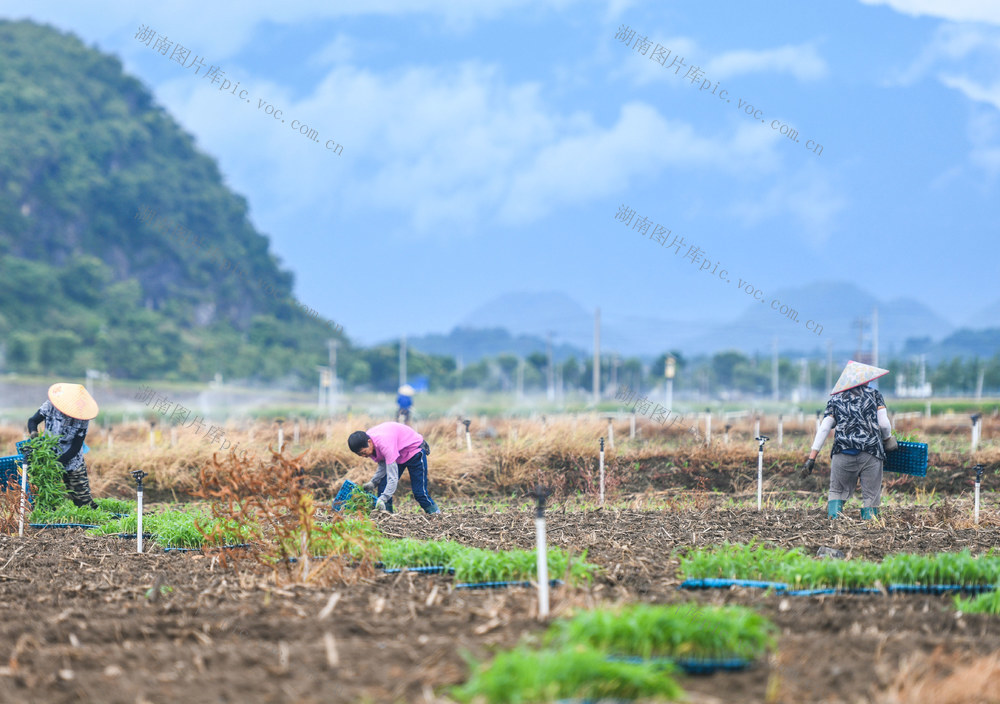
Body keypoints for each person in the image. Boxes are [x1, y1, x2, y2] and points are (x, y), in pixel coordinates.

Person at [802, 361, 897, 520]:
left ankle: (834, 522)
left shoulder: (835, 399)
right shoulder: (874, 395)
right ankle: (870, 525)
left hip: (842, 452)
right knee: (871, 493)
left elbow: (825, 428)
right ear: (865, 380)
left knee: (836, 490)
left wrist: (812, 458)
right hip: (871, 452)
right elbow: (884, 423)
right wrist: (888, 439)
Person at [26, 383, 100, 508]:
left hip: (72, 459)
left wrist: (58, 462)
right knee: (45, 496)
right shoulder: (51, 406)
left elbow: (76, 446)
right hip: (49, 456)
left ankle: (92, 515)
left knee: (83, 501)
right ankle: (47, 520)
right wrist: (34, 433)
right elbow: (32, 421)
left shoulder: (82, 417)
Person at [347, 421, 439, 514]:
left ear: (369, 442)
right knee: (383, 485)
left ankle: (436, 514)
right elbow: (383, 463)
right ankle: (386, 516)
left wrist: (383, 498)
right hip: (398, 453)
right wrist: (373, 482)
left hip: (414, 450)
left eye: (363, 452)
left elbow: (393, 478)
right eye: (360, 454)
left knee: (419, 493)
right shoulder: (368, 442)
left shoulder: (384, 444)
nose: (363, 456)